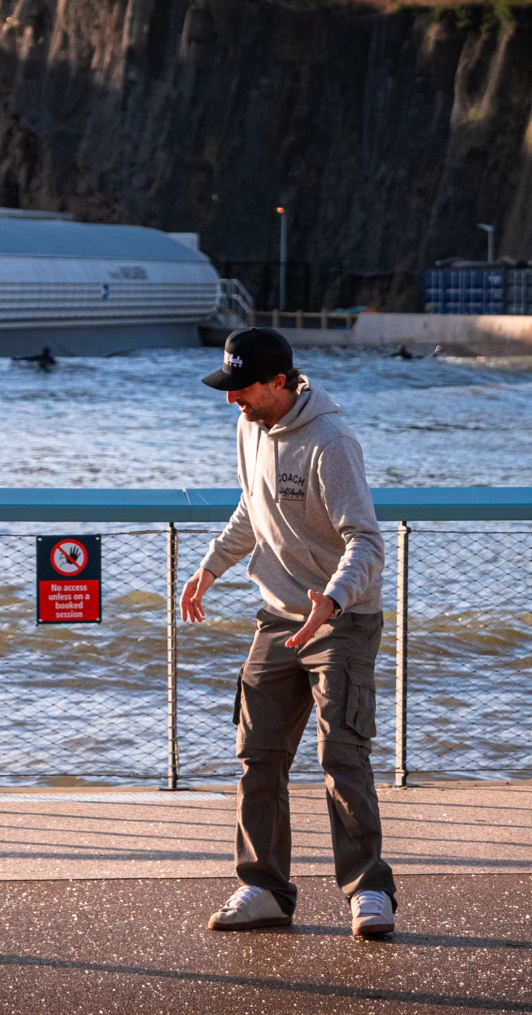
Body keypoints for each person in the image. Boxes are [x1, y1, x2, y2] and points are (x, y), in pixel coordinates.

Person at [180, 327, 396, 938]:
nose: (231, 400)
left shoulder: (332, 441)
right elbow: (253, 505)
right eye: (227, 388)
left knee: (341, 754)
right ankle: (265, 887)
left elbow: (367, 541)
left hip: (342, 618)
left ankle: (367, 890)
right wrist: (210, 567)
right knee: (258, 755)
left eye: (241, 387)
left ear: (279, 382)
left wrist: (331, 599)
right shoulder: (248, 426)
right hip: (277, 615)